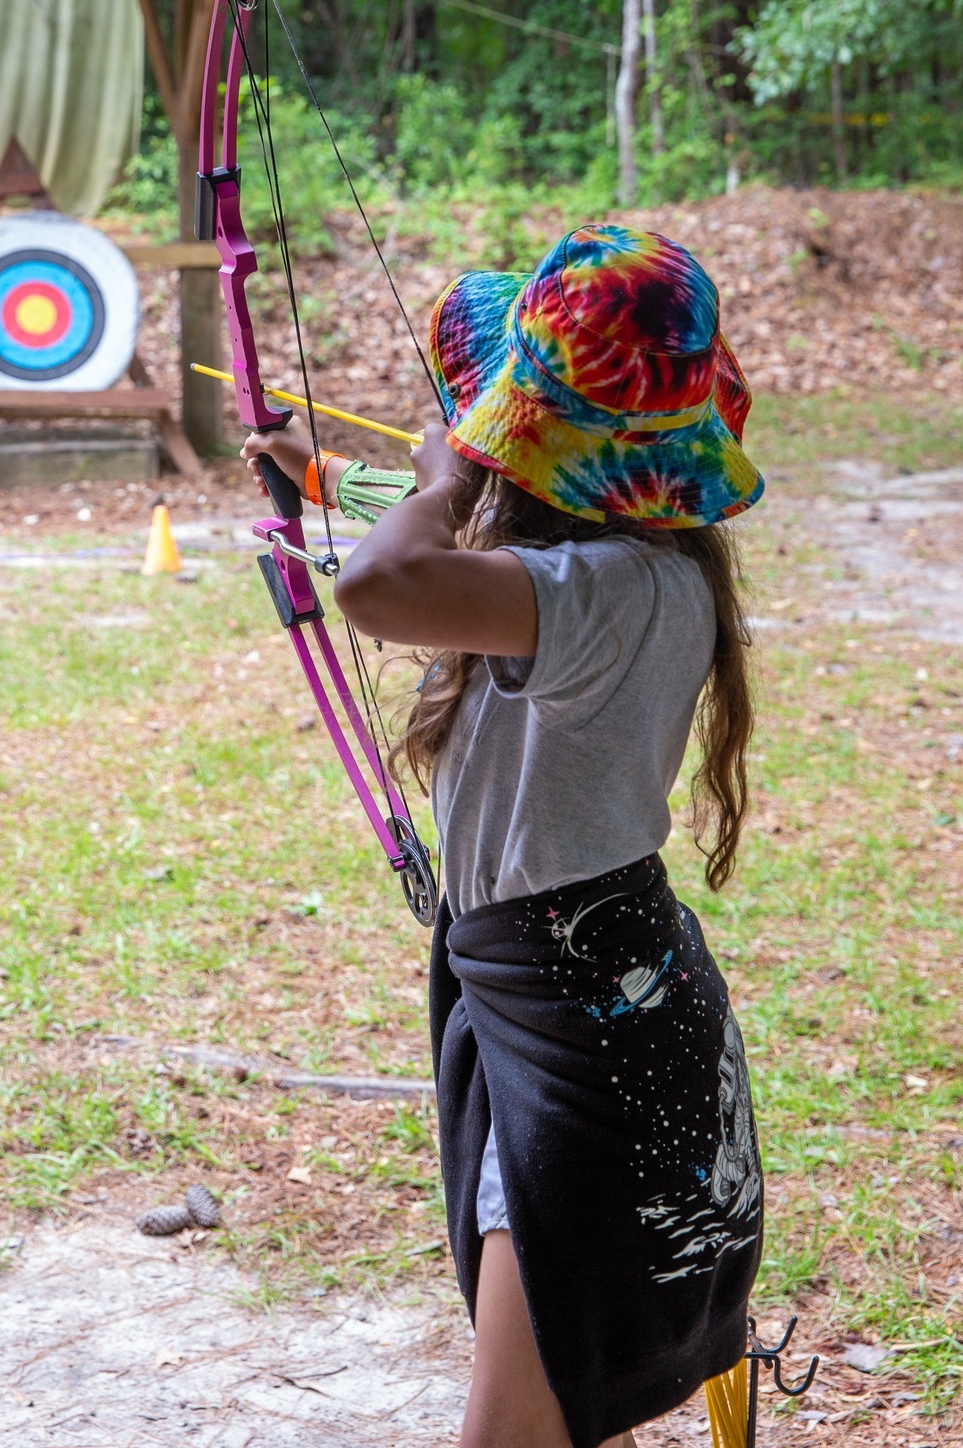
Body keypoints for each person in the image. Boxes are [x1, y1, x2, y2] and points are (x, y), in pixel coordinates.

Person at [241, 223, 764, 1448]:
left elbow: (382, 581)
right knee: (566, 1410)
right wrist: (327, 475)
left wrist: (438, 477)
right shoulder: (634, 565)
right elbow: (450, 537)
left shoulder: (601, 591)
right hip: (582, 989)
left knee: (519, 1424)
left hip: (583, 1029)